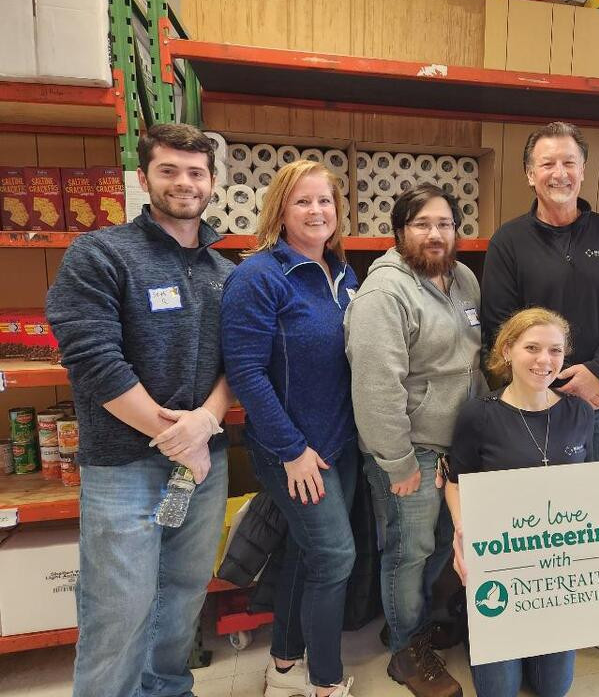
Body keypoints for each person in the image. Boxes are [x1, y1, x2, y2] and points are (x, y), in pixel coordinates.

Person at [46, 123, 235, 697]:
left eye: (196, 172)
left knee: (182, 600)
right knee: (118, 611)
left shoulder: (227, 272)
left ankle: (167, 691)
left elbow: (244, 362)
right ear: (143, 177)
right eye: (169, 170)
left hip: (203, 466)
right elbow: (94, 360)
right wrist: (178, 436)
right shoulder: (101, 253)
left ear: (212, 182)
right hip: (125, 466)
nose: (184, 183)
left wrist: (207, 420)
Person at [445, 307, 599, 697]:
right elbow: (455, 481)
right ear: (508, 350)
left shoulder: (579, 411)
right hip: (503, 569)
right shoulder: (479, 415)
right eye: (532, 348)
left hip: (553, 581)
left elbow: (586, 486)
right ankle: (472, 620)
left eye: (555, 350)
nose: (544, 360)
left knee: (553, 688)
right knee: (499, 691)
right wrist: (461, 531)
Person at [221, 160, 360, 696]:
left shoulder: (344, 275)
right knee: (334, 557)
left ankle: (282, 666)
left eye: (325, 201)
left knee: (308, 552)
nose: (316, 211)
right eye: (303, 201)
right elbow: (246, 373)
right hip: (293, 451)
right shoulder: (258, 276)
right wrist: (292, 449)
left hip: (340, 444)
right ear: (280, 209)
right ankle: (324, 683)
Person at [344, 184, 486, 697]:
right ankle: (406, 652)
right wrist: (397, 460)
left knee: (439, 548)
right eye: (422, 224)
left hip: (459, 446)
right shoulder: (385, 293)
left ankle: (411, 624)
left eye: (444, 224)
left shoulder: (464, 278)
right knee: (410, 550)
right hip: (413, 451)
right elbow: (376, 387)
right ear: (400, 231)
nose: (435, 234)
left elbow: (472, 360)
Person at [480, 121, 599, 461]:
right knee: (540, 509)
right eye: (547, 164)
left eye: (569, 163)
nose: (560, 173)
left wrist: (597, 374)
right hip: (533, 408)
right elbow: (500, 329)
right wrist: (549, 391)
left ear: (583, 170)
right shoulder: (508, 243)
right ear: (529, 174)